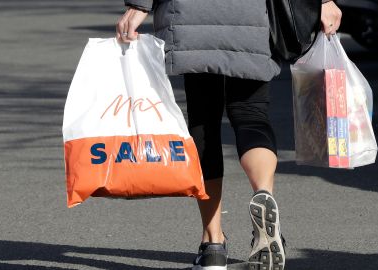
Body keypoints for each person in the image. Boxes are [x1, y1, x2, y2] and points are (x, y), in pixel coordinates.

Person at [116, 0, 342, 269]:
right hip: (252, 15)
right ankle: (263, 192)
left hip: (190, 16)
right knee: (252, 114)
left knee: (203, 120)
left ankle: (212, 244)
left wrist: (138, 5)